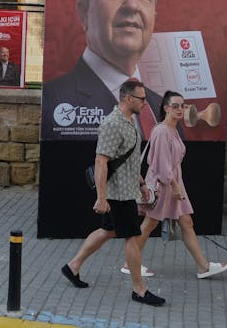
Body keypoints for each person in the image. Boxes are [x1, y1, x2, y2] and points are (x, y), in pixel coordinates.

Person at [60, 80, 166, 306]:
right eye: (142, 99)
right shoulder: (112, 124)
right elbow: (101, 161)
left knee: (107, 231)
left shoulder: (129, 121)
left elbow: (128, 160)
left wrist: (141, 184)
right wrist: (101, 197)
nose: (145, 103)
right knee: (133, 238)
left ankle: (73, 266)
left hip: (128, 190)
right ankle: (139, 290)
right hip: (118, 195)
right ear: (128, 99)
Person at [42, 0, 165, 140]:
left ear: (154, 17)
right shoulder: (52, 102)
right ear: (84, 13)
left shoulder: (163, 109)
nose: (132, 5)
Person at [136, 90, 227, 279]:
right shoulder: (162, 131)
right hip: (165, 185)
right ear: (166, 108)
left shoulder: (172, 130)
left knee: (186, 223)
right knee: (149, 224)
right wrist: (174, 185)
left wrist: (176, 185)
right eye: (175, 105)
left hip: (173, 184)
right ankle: (129, 263)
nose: (180, 109)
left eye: (183, 105)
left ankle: (203, 266)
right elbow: (161, 165)